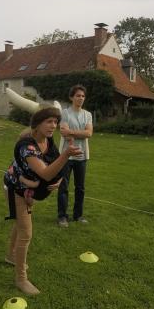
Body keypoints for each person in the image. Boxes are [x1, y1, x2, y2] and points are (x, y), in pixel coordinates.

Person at [4, 106, 81, 295]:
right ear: (37, 125)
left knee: (21, 224)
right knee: (26, 233)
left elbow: (54, 165)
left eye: (55, 122)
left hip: (29, 189)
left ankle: (10, 256)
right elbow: (46, 173)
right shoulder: (27, 147)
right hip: (16, 189)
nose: (53, 126)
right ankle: (21, 279)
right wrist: (66, 155)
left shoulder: (47, 140)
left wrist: (60, 179)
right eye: (49, 122)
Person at [57, 84, 93, 227]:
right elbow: (64, 134)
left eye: (83, 96)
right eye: (78, 95)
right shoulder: (65, 113)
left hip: (82, 156)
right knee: (63, 186)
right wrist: (79, 133)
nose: (81, 98)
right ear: (72, 97)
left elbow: (89, 133)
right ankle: (62, 216)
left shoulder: (88, 115)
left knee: (80, 187)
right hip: (66, 155)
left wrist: (72, 132)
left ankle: (78, 215)